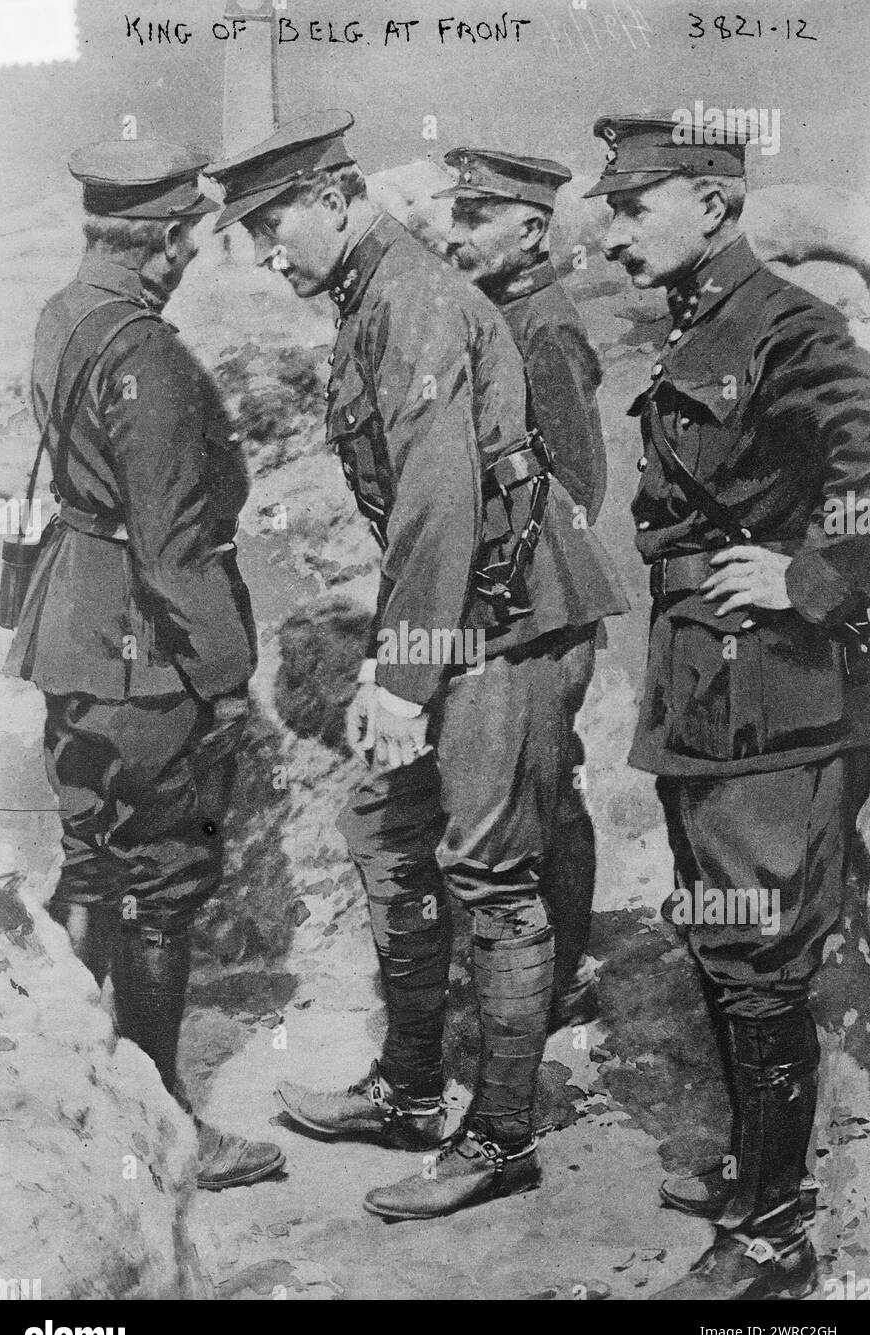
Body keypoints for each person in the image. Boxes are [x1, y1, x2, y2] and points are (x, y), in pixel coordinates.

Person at [207, 110, 628, 1219]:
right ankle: (405, 1088)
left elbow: (441, 504)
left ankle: (498, 1137)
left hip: (505, 620)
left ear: (331, 197)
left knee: (491, 873)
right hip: (461, 619)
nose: (265, 252)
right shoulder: (375, 295)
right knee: (384, 830)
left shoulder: (413, 300)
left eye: (269, 225)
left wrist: (403, 676)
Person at [584, 113, 870, 1298]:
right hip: (711, 693)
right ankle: (756, 1176)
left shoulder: (788, 327)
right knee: (725, 937)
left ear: (712, 203)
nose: (609, 236)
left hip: (780, 704)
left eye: (629, 205)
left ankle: (775, 1237)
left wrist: (811, 577)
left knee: (759, 956)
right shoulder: (704, 323)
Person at [3, 139, 286, 1191]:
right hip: (141, 653)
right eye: (193, 241)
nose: (195, 256)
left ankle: (82, 1101)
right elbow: (173, 550)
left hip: (70, 629)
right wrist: (222, 675)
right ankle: (164, 1123)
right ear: (166, 243)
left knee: (93, 856)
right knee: (160, 881)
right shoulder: (151, 359)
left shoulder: (63, 313)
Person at [440, 147, 616, 1028]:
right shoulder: (498, 313)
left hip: (543, 599)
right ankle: (558, 965)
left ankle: (558, 978)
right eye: (456, 215)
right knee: (546, 786)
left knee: (541, 790)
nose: (455, 233)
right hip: (518, 594)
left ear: (531, 228)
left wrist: (524, 577)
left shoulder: (543, 325)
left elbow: (577, 482)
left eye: (475, 218)